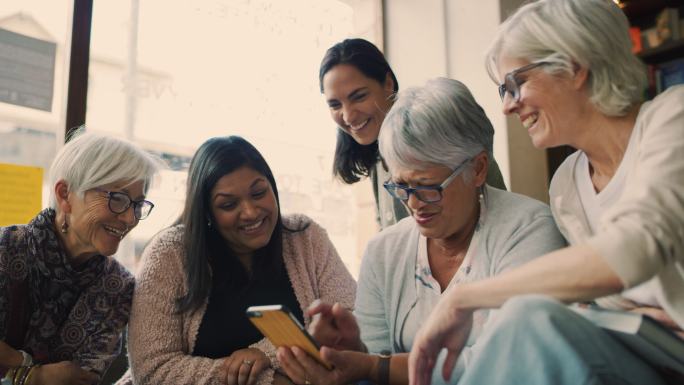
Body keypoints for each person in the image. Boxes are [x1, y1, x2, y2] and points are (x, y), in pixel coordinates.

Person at [408, 1, 684, 385]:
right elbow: (606, 293)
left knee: (530, 319)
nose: (506, 106)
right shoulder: (567, 183)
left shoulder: (674, 116)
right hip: (648, 354)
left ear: (573, 66)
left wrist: (462, 297)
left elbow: (631, 251)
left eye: (514, 84)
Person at [276, 78, 566, 385]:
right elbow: (370, 364)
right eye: (400, 186)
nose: (413, 203)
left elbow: (506, 364)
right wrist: (351, 352)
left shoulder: (528, 230)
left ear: (478, 169)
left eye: (428, 187)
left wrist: (375, 367)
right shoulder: (385, 251)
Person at [118, 136, 356, 385]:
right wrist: (270, 380)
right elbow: (153, 370)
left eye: (259, 193)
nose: (251, 212)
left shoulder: (305, 236)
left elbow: (350, 320)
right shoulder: (170, 253)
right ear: (207, 212)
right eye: (229, 204)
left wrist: (265, 354)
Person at [0, 129, 163, 385]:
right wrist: (33, 374)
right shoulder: (6, 249)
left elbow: (77, 380)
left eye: (137, 204)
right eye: (117, 198)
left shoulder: (117, 288)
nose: (130, 219)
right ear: (65, 194)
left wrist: (10, 362)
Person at [319, 38, 508, 229]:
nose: (348, 116)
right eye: (335, 105)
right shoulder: (376, 158)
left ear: (388, 83)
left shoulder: (439, 129)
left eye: (359, 96)